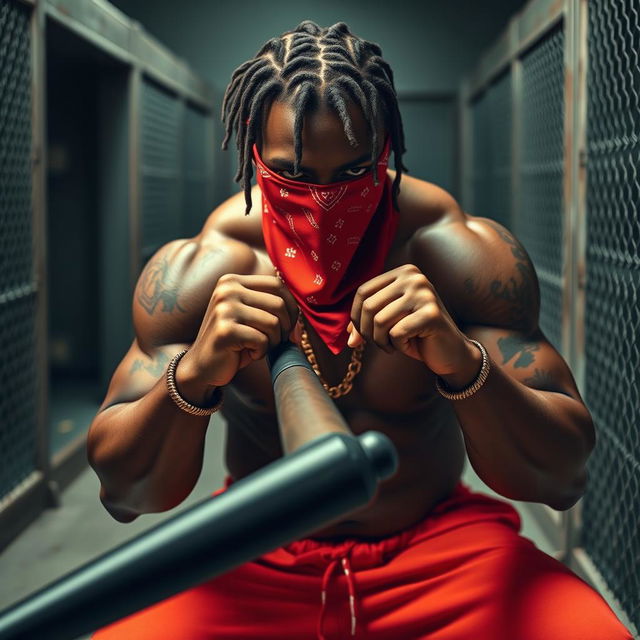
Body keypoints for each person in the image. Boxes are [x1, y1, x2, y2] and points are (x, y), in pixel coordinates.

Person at [89, 20, 633, 640]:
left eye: (351, 175)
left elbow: (561, 479)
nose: (323, 204)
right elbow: (123, 493)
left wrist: (464, 363)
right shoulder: (203, 269)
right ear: (253, 150)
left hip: (436, 548)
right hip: (255, 543)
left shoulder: (457, 254)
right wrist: (191, 378)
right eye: (295, 176)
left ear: (386, 148)